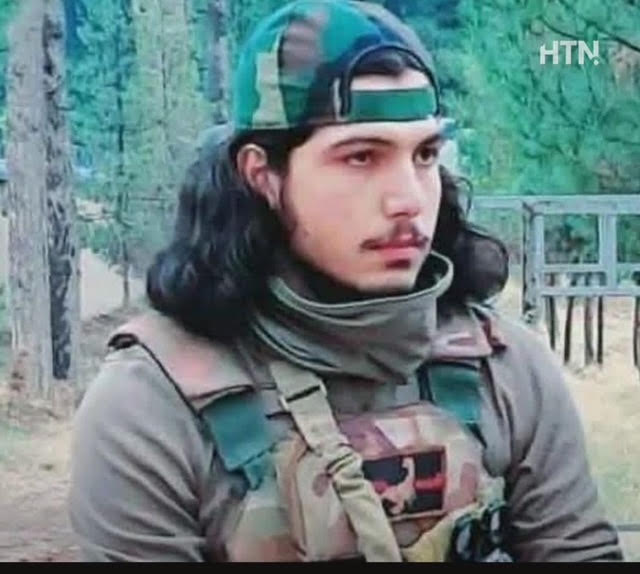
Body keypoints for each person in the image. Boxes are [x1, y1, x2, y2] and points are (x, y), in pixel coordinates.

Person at [68, 0, 623, 562]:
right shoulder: (151, 408)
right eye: (361, 157)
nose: (408, 199)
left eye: (425, 154)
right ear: (262, 175)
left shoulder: (504, 369)